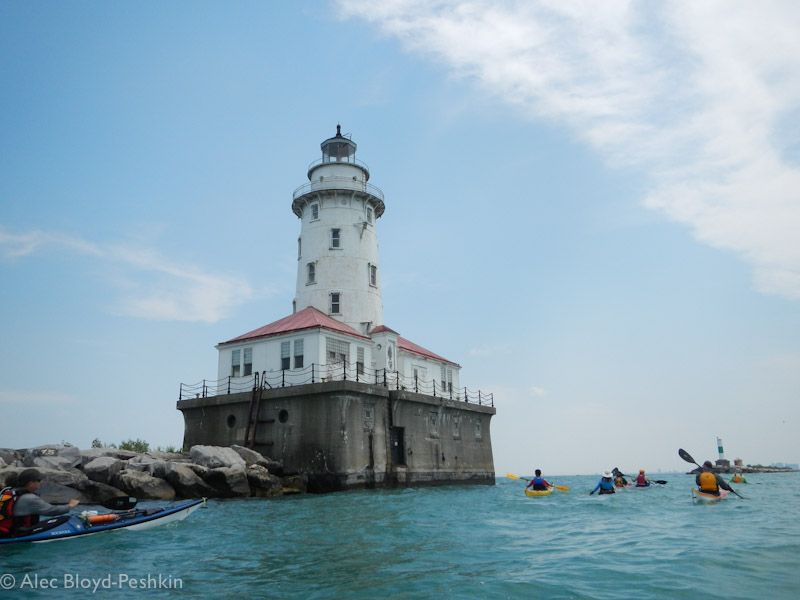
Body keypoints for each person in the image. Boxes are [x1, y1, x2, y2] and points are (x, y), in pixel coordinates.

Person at [4, 469, 79, 535]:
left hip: (6, 530)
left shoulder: (7, 492)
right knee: (64, 519)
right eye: (39, 481)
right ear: (30, 483)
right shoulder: (30, 498)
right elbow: (51, 510)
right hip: (18, 532)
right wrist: (70, 505)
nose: (40, 483)